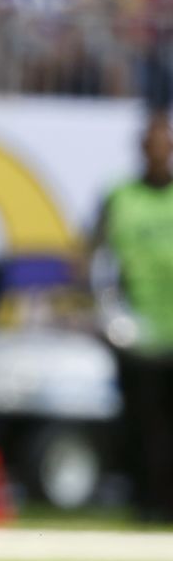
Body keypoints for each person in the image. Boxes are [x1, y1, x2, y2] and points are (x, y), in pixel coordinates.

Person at [93, 112, 173, 522]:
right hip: (138, 332)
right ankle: (145, 503)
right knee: (143, 424)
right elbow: (94, 253)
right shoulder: (120, 196)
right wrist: (106, 310)